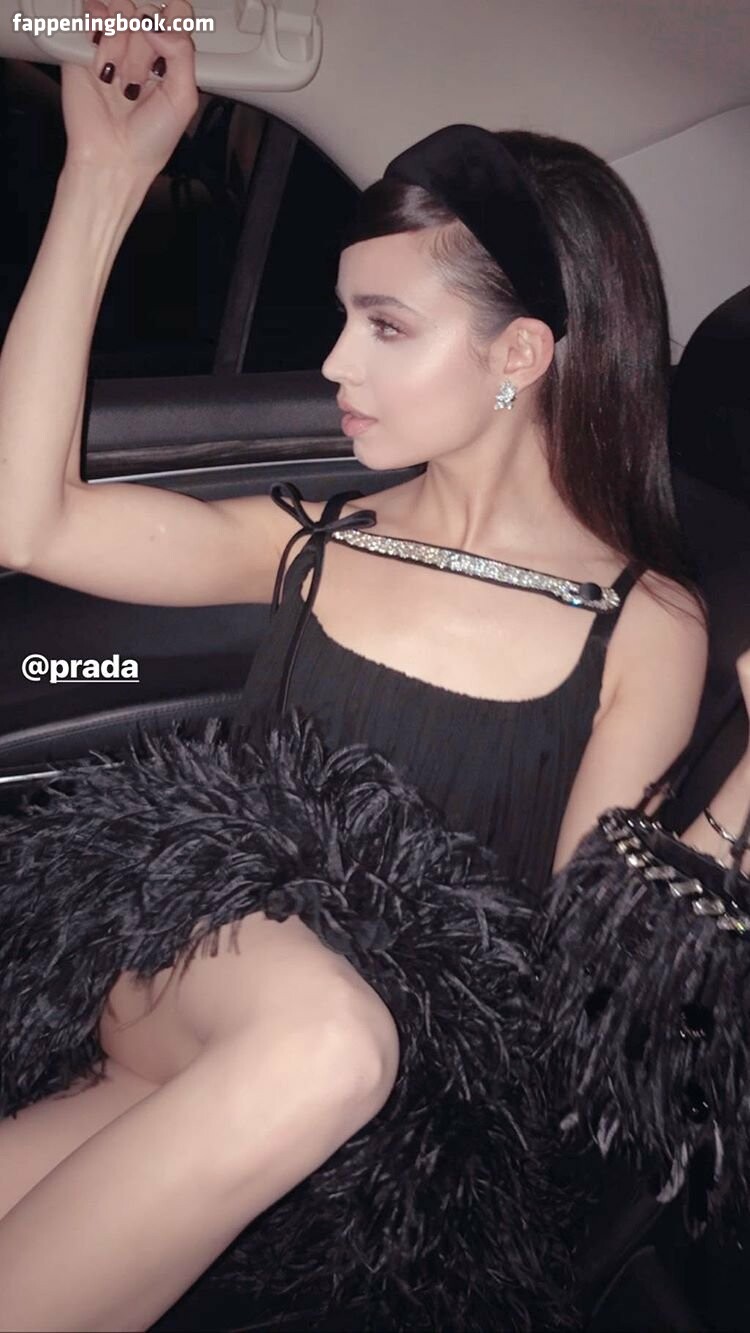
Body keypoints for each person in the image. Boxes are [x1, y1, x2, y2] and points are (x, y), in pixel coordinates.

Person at [0, 1, 721, 1328]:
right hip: (192, 976)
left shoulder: (645, 626)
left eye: (385, 326)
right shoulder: (318, 538)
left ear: (518, 356)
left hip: (345, 1107)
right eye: (344, 319)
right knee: (326, 1041)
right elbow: (26, 520)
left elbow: (583, 975)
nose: (333, 360)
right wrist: (101, 177)